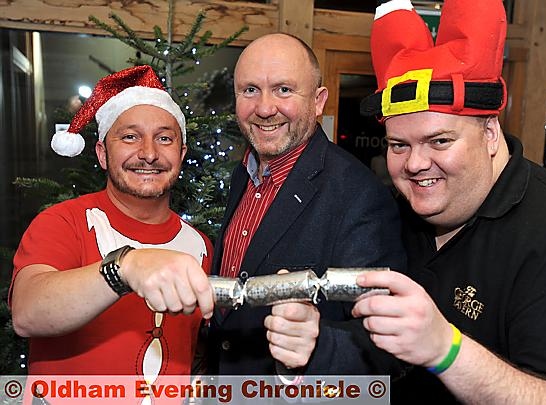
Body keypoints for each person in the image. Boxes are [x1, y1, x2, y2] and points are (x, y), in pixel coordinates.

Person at [354, 0, 546, 403]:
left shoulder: (543, 227)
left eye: (440, 140)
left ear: (490, 133)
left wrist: (447, 350)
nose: (415, 164)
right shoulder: (390, 211)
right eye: (398, 145)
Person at [207, 32, 407, 376]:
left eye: (284, 89)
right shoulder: (244, 172)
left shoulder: (359, 196)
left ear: (318, 101)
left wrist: (314, 346)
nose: (265, 108)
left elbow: (386, 350)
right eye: (250, 90)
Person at [10, 65, 215, 379]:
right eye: (130, 137)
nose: (148, 153)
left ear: (181, 153)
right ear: (103, 154)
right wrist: (124, 268)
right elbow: (27, 313)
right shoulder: (63, 222)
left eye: (164, 138)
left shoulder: (200, 246)